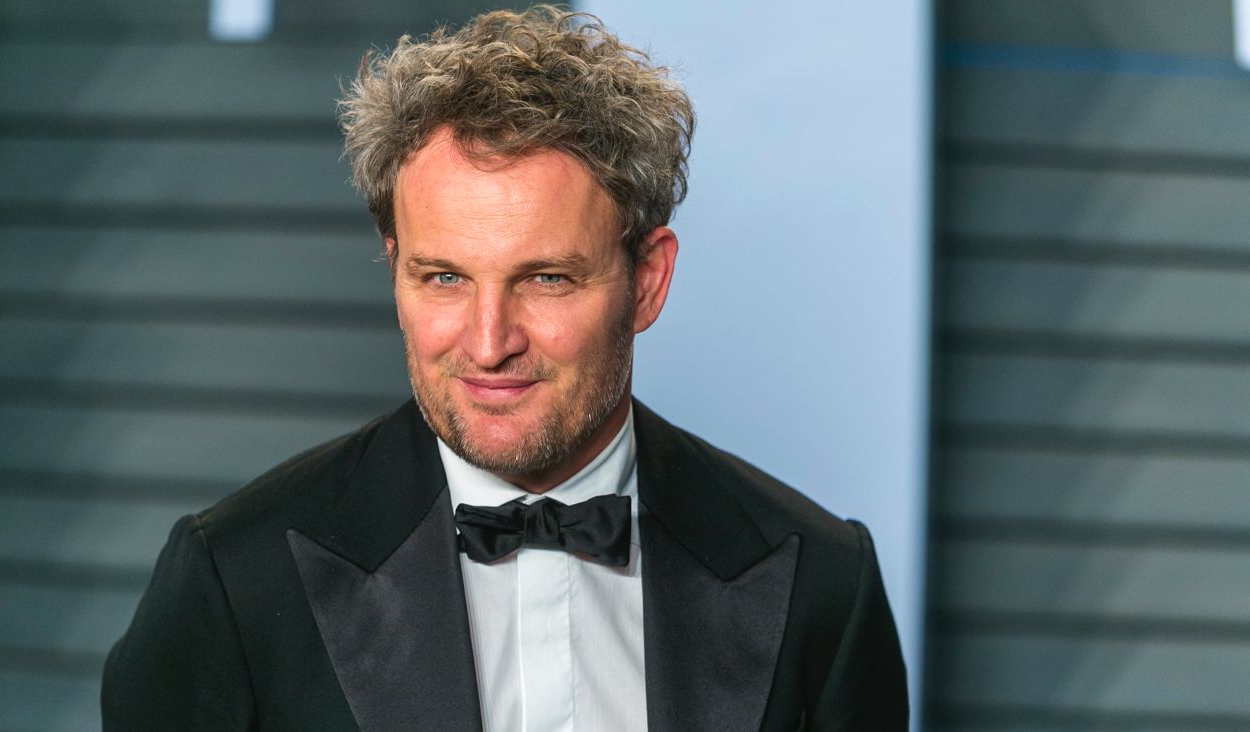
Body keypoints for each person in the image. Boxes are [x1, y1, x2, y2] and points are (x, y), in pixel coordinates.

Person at [101, 6, 907, 730]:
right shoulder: (233, 582)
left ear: (648, 283)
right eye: (443, 278)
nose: (488, 344)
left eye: (546, 278)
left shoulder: (824, 585)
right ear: (394, 269)